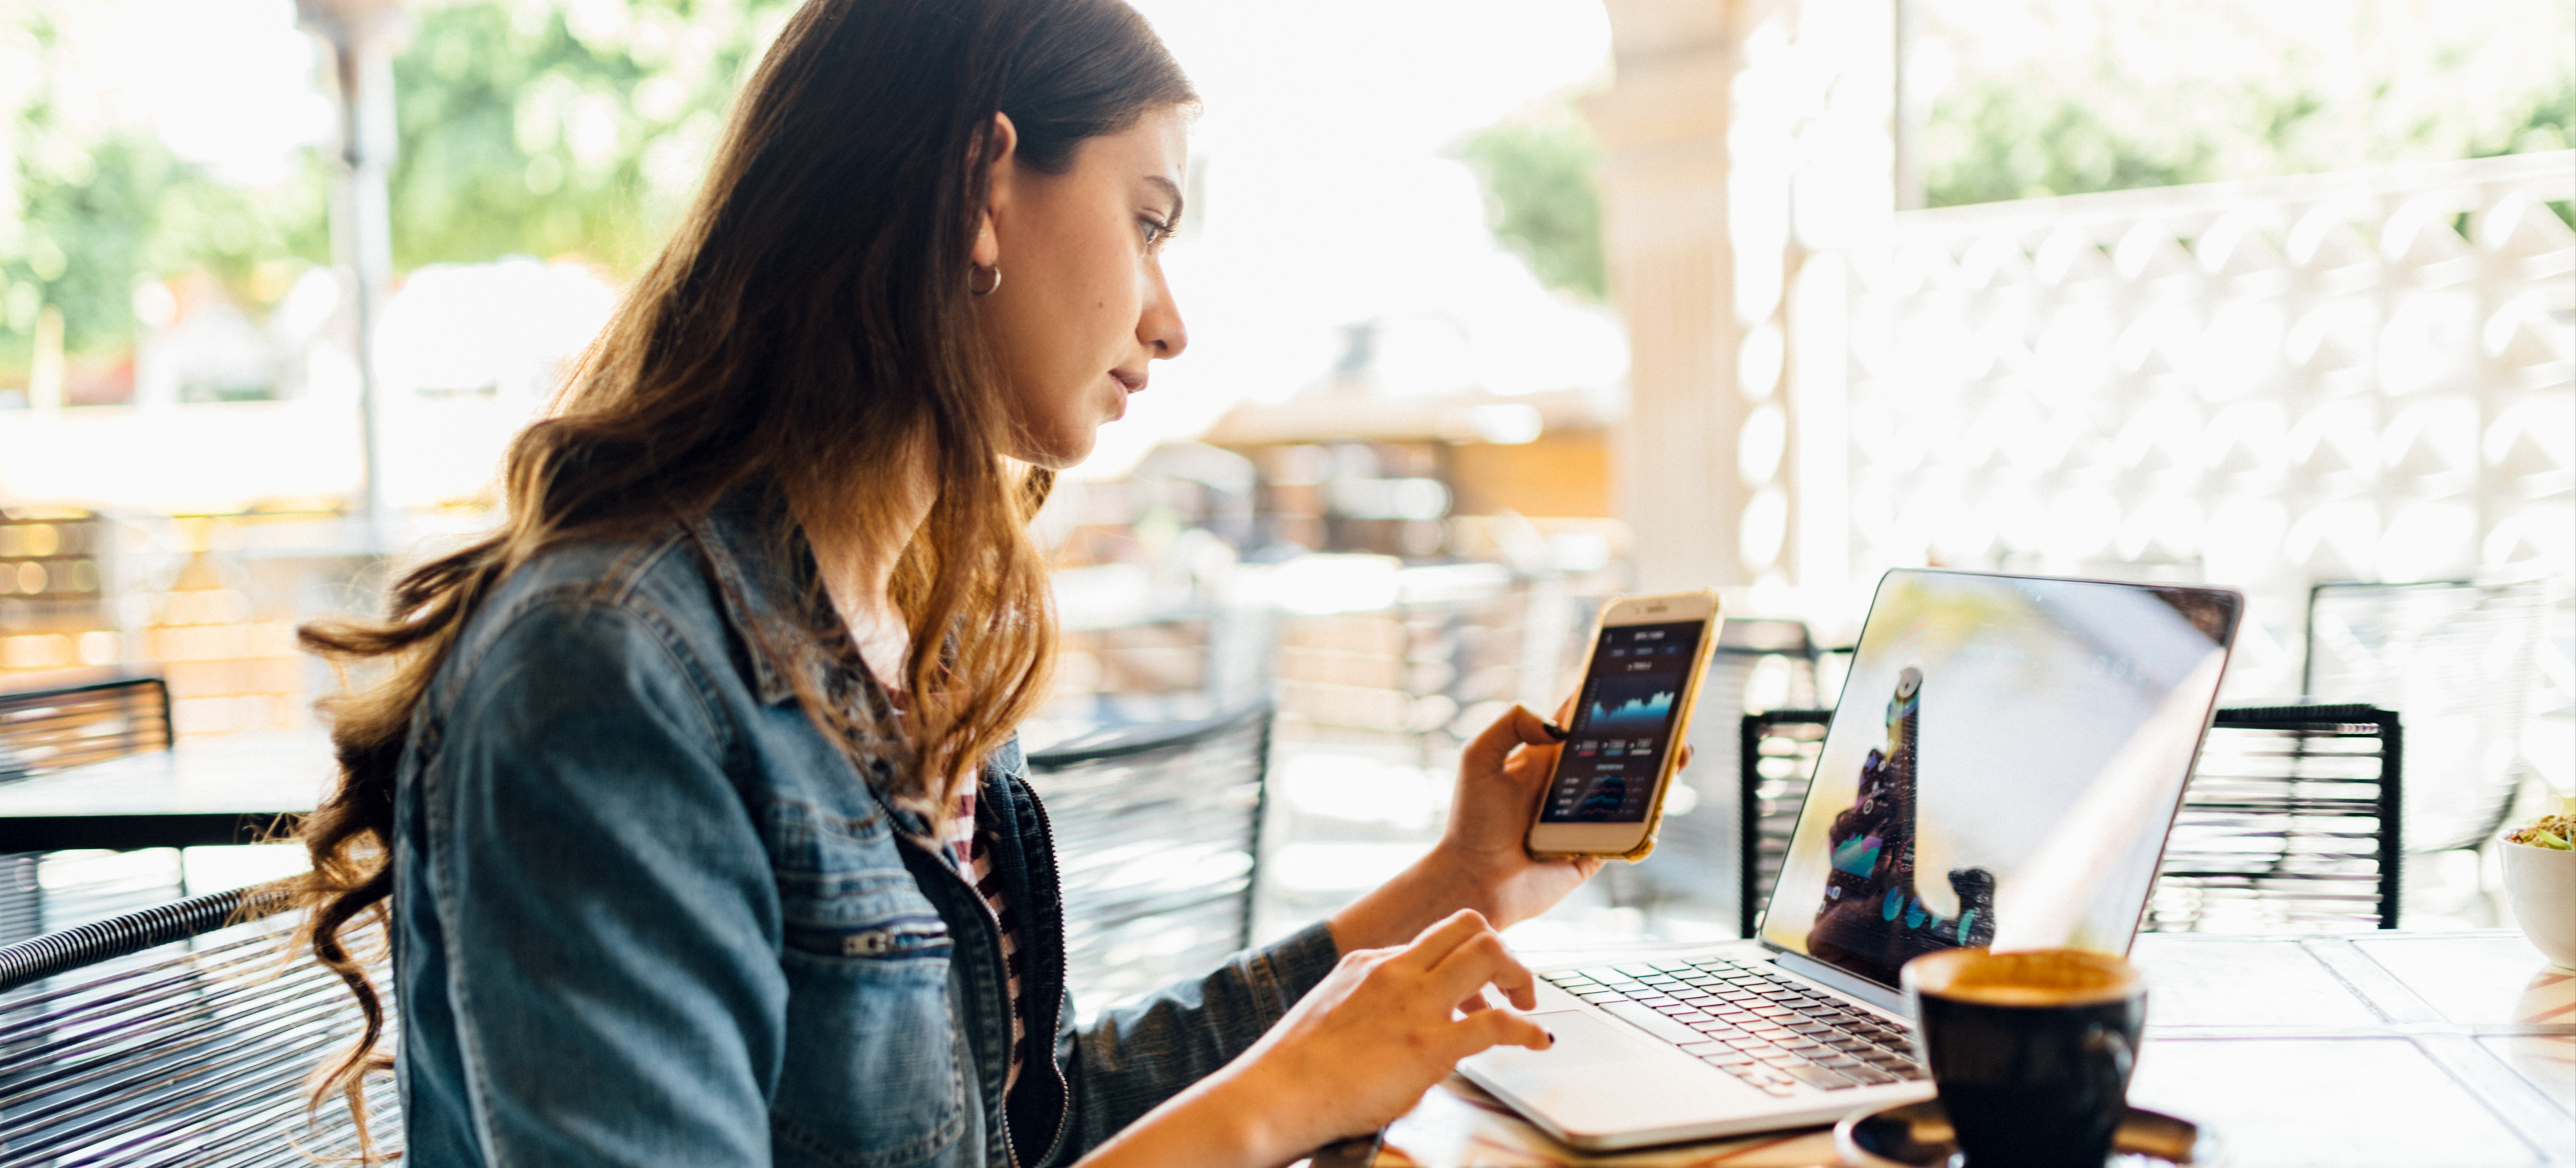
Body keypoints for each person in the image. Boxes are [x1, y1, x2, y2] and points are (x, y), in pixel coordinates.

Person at [291, 2, 1630, 1165]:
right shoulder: (603, 673)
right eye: (1147, 222)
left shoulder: (911, 637)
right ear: (984, 185)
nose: (1170, 319)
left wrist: (1462, 879)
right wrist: (1277, 1103)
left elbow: (1030, 1128)